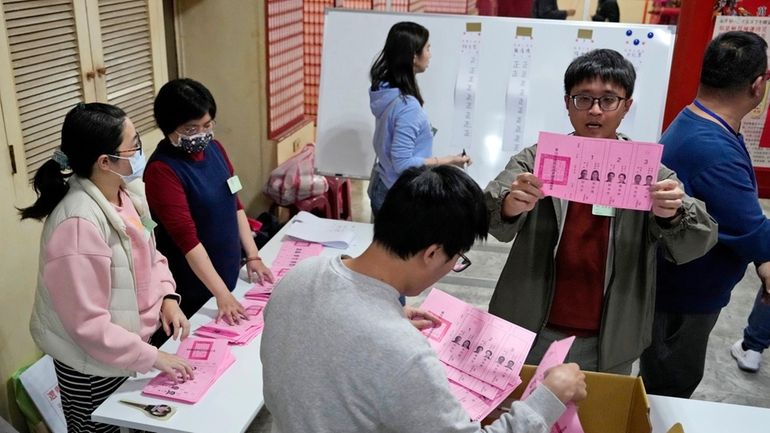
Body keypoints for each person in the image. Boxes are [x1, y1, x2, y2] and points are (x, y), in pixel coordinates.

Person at [262, 165, 587, 433]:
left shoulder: (300, 276)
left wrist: (386, 316)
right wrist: (549, 398)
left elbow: (327, 337)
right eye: (457, 258)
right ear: (432, 253)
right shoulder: (405, 354)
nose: (451, 267)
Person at [484, 49, 717, 374]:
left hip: (612, 336)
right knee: (524, 416)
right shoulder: (537, 160)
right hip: (531, 325)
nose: (595, 110)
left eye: (608, 100)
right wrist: (510, 204)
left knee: (597, 416)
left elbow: (698, 239)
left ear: (626, 107)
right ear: (567, 103)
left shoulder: (647, 172)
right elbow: (489, 210)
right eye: (583, 98)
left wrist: (673, 214)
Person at [21, 103, 194, 433]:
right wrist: (153, 358)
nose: (140, 151)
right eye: (134, 145)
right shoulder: (77, 224)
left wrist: (167, 297)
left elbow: (152, 256)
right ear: (104, 162)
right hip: (92, 365)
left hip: (131, 350)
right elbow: (88, 325)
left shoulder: (126, 194)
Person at [640, 31, 770, 395]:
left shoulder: (698, 120)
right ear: (758, 85)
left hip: (677, 288)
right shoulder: (714, 150)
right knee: (671, 389)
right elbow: (753, 231)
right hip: (683, 300)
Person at [144, 78, 274, 325]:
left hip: (229, 273)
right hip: (196, 288)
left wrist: (253, 255)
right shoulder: (162, 170)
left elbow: (234, 202)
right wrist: (221, 294)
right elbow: (188, 241)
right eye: (191, 129)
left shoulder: (216, 149)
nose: (201, 135)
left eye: (207, 125)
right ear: (169, 127)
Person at [368, 21, 470, 216]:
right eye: (428, 48)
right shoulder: (407, 107)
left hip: (383, 186)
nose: (430, 54)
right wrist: (447, 160)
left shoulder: (385, 91)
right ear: (414, 56)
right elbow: (402, 163)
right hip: (398, 195)